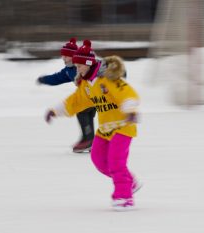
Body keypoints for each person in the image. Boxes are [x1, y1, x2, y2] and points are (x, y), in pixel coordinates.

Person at [45, 40, 142, 211]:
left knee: (116, 162)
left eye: (79, 66)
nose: (77, 70)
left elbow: (127, 93)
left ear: (88, 64)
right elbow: (75, 101)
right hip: (105, 129)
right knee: (98, 160)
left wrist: (131, 110)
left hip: (123, 126)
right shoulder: (86, 86)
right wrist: (56, 110)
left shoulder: (109, 79)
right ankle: (128, 181)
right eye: (75, 66)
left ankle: (124, 197)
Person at [37, 38, 96, 153]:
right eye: (62, 56)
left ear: (73, 56)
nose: (63, 58)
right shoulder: (68, 71)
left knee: (82, 112)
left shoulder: (82, 64)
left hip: (94, 94)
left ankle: (88, 140)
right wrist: (44, 79)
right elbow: (57, 78)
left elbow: (96, 66)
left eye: (66, 56)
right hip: (85, 96)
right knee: (85, 113)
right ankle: (89, 139)